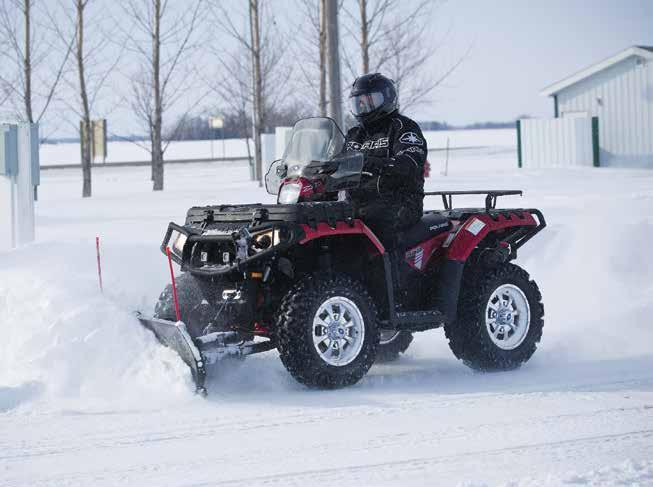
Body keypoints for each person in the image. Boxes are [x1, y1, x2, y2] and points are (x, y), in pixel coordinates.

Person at [343, 73, 427, 248]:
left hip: (400, 202)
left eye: (370, 101)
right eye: (358, 103)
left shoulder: (403, 128)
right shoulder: (354, 135)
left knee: (378, 225)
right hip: (357, 203)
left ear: (387, 98)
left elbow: (410, 162)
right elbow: (338, 164)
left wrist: (371, 163)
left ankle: (391, 274)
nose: (364, 107)